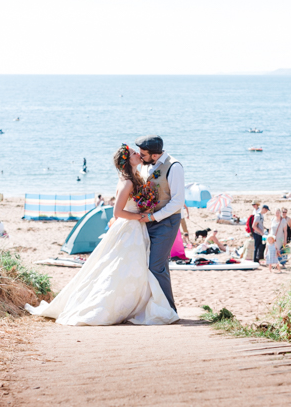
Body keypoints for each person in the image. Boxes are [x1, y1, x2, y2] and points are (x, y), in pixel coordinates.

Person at [25, 143, 179, 325]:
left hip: (137, 228)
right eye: (134, 153)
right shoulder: (128, 182)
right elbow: (118, 212)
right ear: (127, 160)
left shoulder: (136, 176)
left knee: (134, 267)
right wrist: (140, 216)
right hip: (130, 227)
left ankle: (138, 304)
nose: (138, 154)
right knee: (121, 267)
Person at [136, 135, 185, 313]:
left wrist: (153, 217)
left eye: (143, 154)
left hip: (167, 222)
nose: (140, 156)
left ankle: (169, 310)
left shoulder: (174, 167)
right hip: (149, 222)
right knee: (156, 265)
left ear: (155, 155)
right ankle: (160, 307)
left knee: (156, 266)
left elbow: (178, 201)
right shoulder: (147, 165)